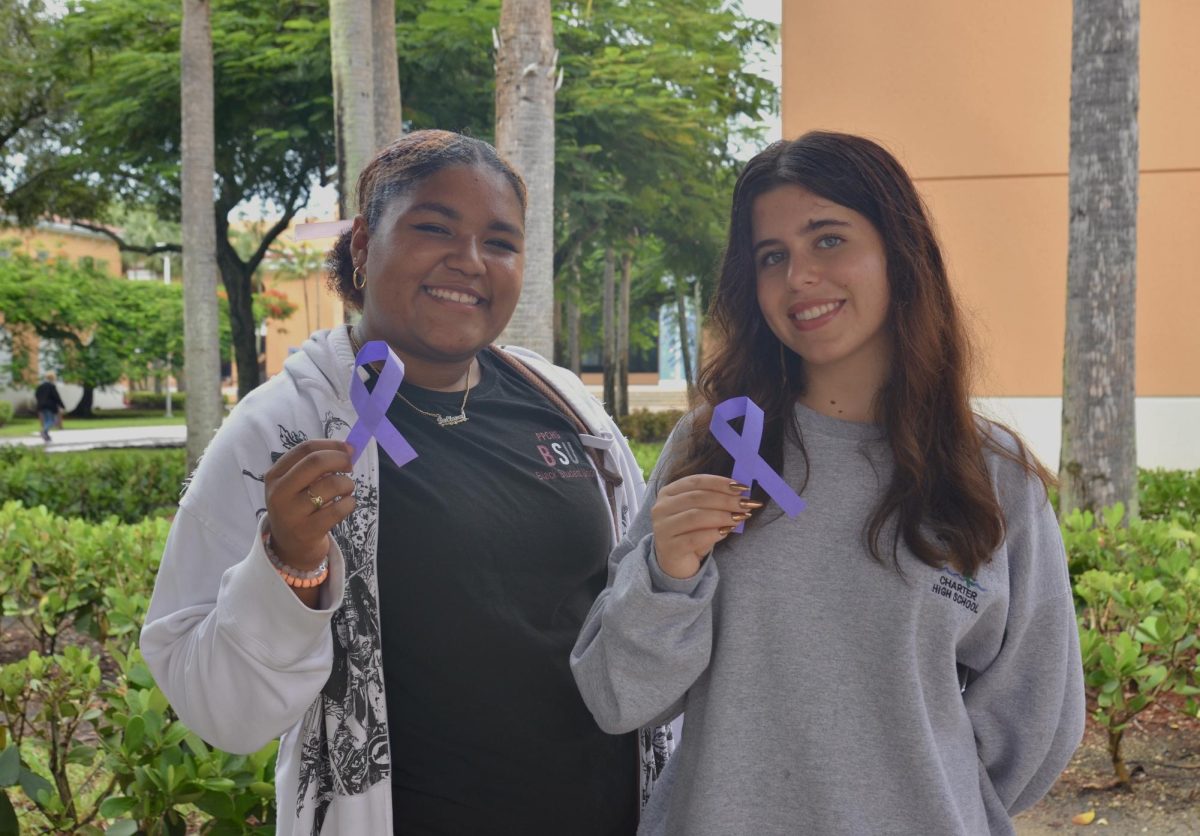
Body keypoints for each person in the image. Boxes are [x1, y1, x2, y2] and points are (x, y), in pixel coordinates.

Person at [142, 130, 667, 834]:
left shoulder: (567, 407)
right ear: (363, 245)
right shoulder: (284, 431)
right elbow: (217, 707)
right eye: (433, 228)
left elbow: (635, 608)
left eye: (501, 242)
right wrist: (290, 567)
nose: (470, 261)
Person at [571, 131, 1085, 836]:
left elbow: (1036, 719)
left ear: (899, 254)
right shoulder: (714, 444)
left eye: (829, 240)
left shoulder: (992, 474)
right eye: (771, 257)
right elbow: (617, 697)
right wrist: (666, 575)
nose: (799, 277)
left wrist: (913, 797)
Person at [34, 371, 65, 442]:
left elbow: (36, 395)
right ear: (53, 378)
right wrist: (62, 405)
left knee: (46, 420)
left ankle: (46, 435)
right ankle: (43, 431)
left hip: (41, 406)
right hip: (50, 406)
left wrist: (40, 403)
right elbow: (56, 397)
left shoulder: (40, 386)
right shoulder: (51, 386)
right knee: (52, 421)